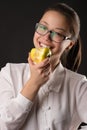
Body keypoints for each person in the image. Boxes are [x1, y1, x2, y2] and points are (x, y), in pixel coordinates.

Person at [0, 2, 87, 130]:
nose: (46, 37)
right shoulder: (9, 73)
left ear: (69, 44)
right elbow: (3, 125)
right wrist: (34, 82)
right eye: (43, 27)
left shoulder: (78, 84)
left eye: (57, 33)